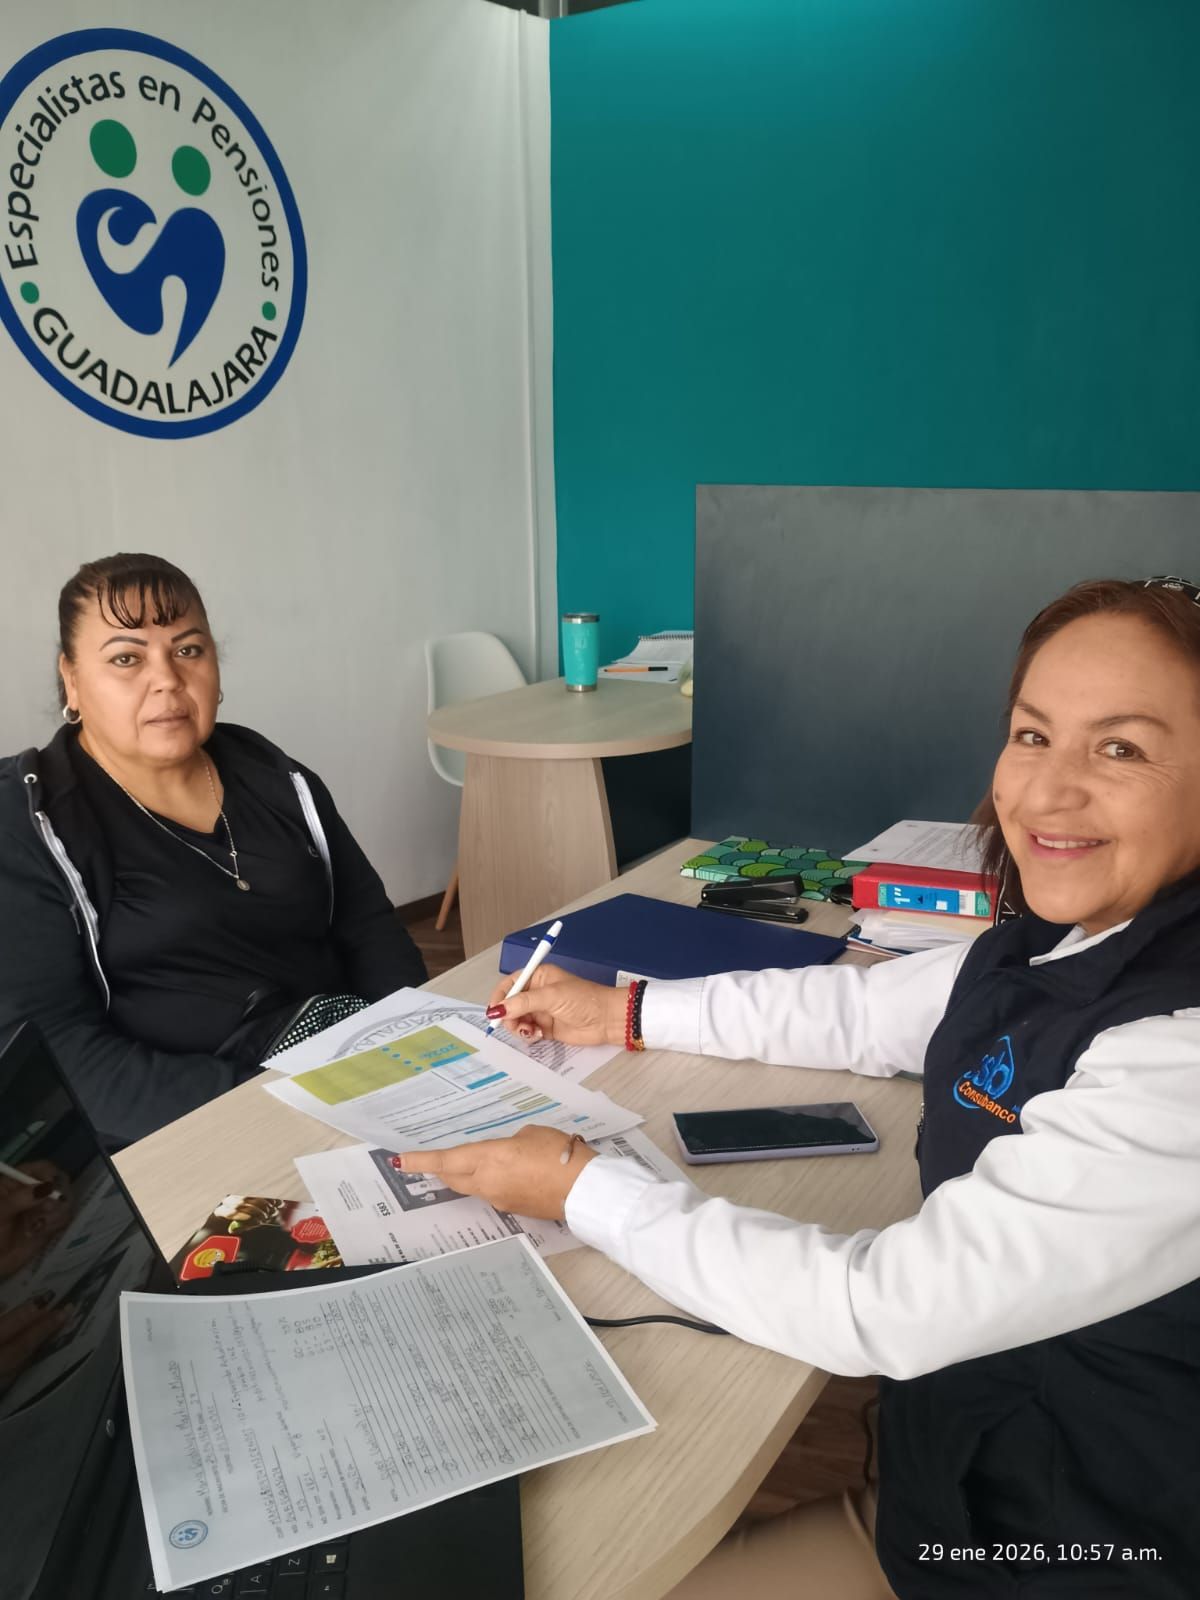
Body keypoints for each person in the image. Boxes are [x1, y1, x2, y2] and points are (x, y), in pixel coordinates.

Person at [398, 576, 1200, 1599]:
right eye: (1032, 734)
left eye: (1121, 748)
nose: (1047, 790)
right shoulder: (1064, 934)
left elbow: (881, 1307)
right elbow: (862, 1012)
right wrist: (628, 1012)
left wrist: (581, 1188)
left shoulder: (1178, 1052)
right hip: (963, 1484)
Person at [0, 553, 426, 1149]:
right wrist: (278, 1106)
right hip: (193, 1126)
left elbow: (369, 927)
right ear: (72, 680)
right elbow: (61, 1054)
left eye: (188, 650)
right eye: (127, 658)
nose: (168, 678)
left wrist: (407, 1044)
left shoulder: (274, 776)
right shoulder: (28, 825)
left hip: (348, 1067)